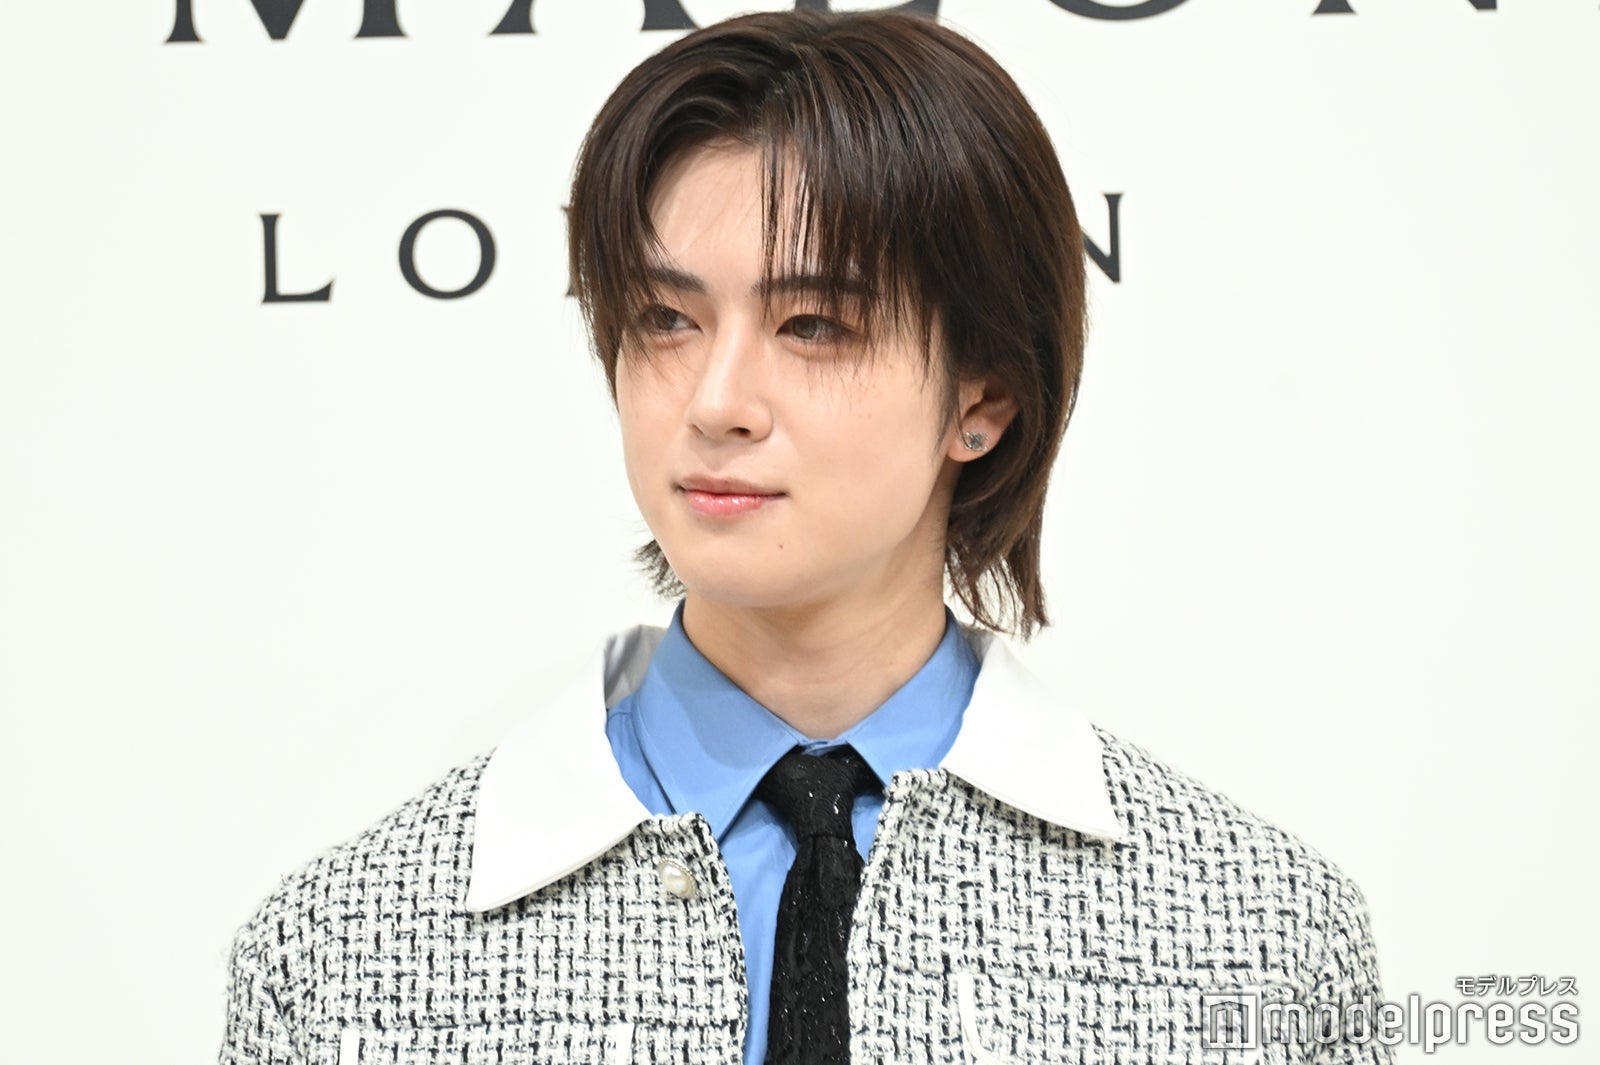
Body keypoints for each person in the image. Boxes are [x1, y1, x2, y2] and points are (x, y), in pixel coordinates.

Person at [219, 10, 1391, 1065]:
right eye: (665, 317)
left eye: (814, 323)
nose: (716, 399)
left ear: (983, 397)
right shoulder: (338, 960)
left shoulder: (1262, 940)